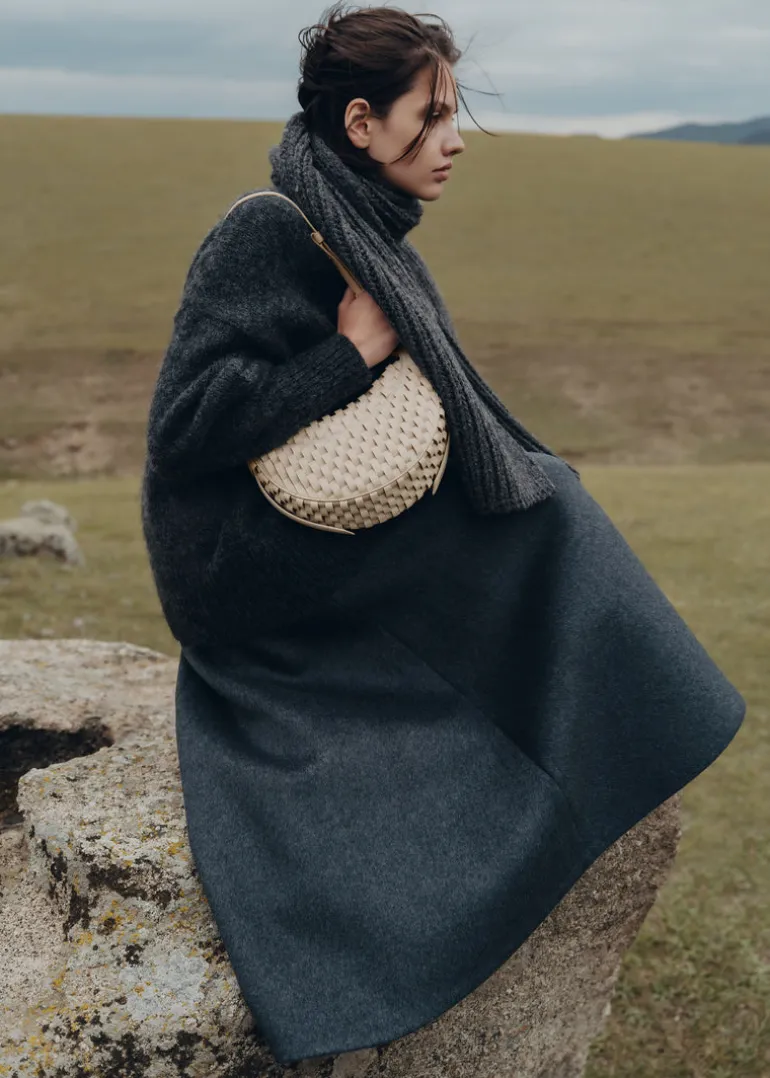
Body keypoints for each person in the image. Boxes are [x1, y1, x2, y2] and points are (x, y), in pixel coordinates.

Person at [140, 3, 746, 1067]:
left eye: (453, 114)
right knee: (539, 514)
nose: (454, 140)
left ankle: (588, 752)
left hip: (305, 526)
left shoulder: (356, 221)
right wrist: (348, 355)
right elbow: (184, 427)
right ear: (361, 124)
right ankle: (585, 758)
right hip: (242, 565)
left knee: (537, 497)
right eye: (433, 115)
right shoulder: (268, 230)